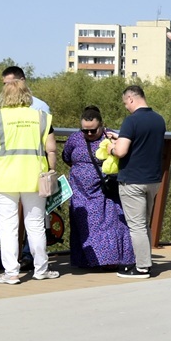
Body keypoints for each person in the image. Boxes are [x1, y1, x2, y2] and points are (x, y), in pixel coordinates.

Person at [0, 78, 59, 283]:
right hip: (35, 178)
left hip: (4, 178)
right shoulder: (41, 117)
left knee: (8, 227)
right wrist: (51, 171)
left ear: (5, 96)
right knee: (35, 225)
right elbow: (51, 149)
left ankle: (11, 273)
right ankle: (41, 269)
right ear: (27, 95)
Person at [61, 106, 134, 269]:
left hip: (104, 191)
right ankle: (86, 260)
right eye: (84, 130)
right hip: (80, 192)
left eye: (92, 131)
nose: (88, 134)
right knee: (84, 225)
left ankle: (109, 261)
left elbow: (123, 155)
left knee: (108, 224)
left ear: (102, 125)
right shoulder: (75, 138)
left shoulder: (111, 137)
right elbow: (66, 156)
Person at [107, 85, 166, 279]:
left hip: (133, 180)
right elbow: (142, 143)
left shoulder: (131, 121)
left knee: (137, 226)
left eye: (125, 103)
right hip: (153, 180)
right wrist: (121, 137)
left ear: (131, 99)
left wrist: (111, 148)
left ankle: (142, 268)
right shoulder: (159, 120)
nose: (126, 107)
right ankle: (145, 262)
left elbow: (122, 151)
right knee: (145, 224)